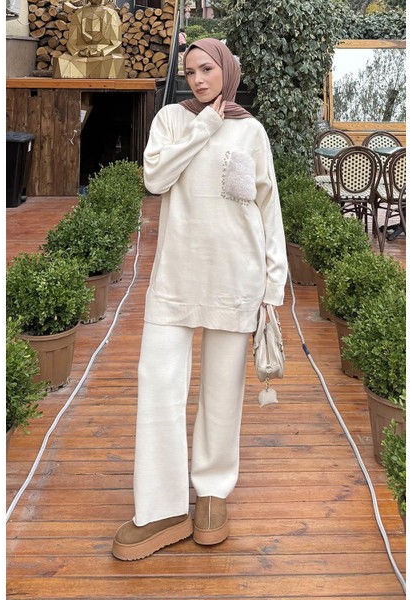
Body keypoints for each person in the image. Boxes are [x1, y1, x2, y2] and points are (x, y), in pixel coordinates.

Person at [112, 38, 288, 561]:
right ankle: (161, 507)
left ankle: (212, 492)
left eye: (207, 69)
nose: (199, 79)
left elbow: (267, 207)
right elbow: (155, 178)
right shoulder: (171, 120)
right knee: (158, 384)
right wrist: (203, 126)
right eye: (190, 72)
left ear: (226, 70)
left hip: (236, 275)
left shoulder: (251, 130)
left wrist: (272, 286)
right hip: (176, 276)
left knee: (222, 391)